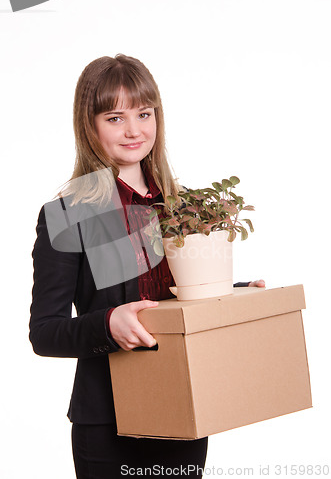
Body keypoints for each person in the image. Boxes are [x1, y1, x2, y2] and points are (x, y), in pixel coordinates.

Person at [29, 54, 265, 479]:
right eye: (115, 117)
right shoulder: (68, 214)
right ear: (90, 126)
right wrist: (108, 325)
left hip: (183, 407)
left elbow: (173, 298)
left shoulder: (185, 206)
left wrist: (238, 294)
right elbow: (44, 332)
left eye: (144, 113)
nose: (134, 130)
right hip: (107, 422)